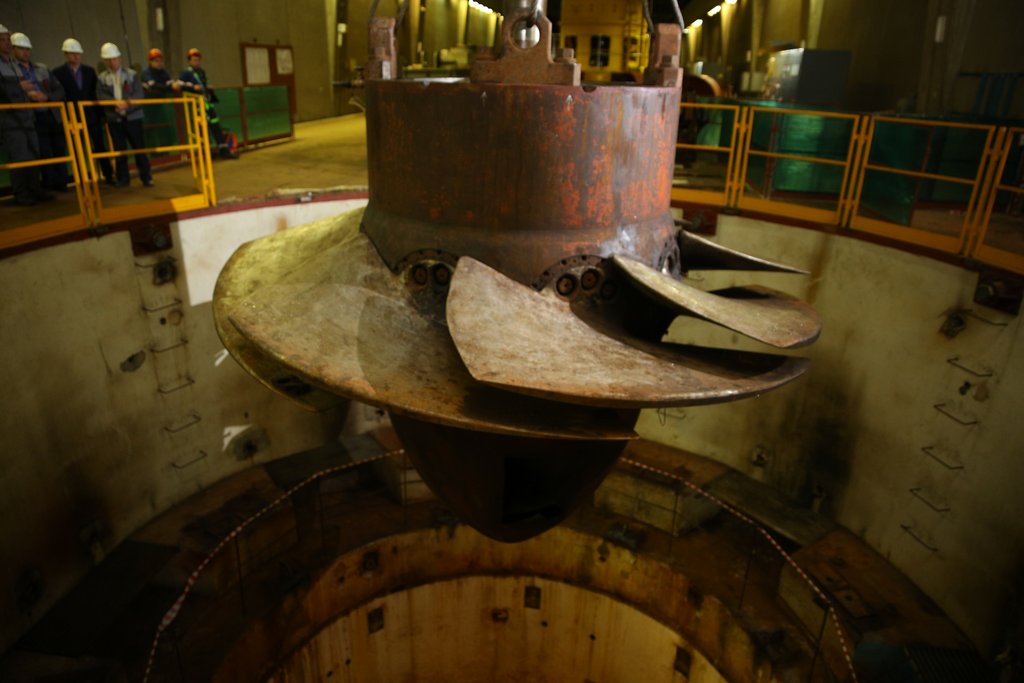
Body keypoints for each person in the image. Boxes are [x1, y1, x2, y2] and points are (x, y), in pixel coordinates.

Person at [10, 32, 68, 193]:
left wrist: (46, 97)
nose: (25, 52)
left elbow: (60, 90)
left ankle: (62, 183)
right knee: (44, 152)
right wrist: (26, 95)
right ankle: (49, 184)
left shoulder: (42, 69)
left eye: (27, 49)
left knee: (59, 149)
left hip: (52, 115)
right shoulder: (12, 71)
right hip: (32, 118)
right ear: (13, 49)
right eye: (21, 49)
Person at [52, 38, 115, 186]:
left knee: (99, 146)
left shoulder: (89, 71)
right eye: (72, 53)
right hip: (72, 118)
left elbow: (95, 93)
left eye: (78, 53)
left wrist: (101, 115)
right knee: (77, 150)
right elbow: (60, 95)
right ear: (66, 54)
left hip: (92, 116)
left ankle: (108, 175)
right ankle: (82, 180)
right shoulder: (58, 73)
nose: (76, 56)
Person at [0, 26, 52, 205]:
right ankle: (21, 194)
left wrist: (31, 94)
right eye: (2, 40)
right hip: (10, 121)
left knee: (32, 154)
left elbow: (22, 88)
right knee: (20, 157)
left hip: (26, 117)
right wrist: (19, 88)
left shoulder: (13, 64)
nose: (7, 43)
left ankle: (35, 190)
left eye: (8, 40)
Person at [96, 42, 153, 187]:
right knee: (119, 150)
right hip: (114, 119)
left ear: (119, 58)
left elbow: (139, 95)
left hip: (133, 118)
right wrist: (114, 103)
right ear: (105, 61)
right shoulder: (102, 78)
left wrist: (127, 104)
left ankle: (146, 177)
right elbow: (100, 95)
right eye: (109, 59)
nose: (112, 62)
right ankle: (123, 178)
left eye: (114, 59)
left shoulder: (131, 75)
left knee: (139, 148)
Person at [178, 48, 236, 158]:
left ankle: (223, 149)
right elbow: (179, 86)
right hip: (196, 106)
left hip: (207, 104)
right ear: (189, 61)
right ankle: (206, 152)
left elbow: (204, 85)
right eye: (194, 60)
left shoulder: (201, 72)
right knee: (202, 130)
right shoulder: (186, 73)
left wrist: (208, 88)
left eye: (198, 60)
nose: (197, 62)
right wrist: (193, 88)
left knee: (215, 125)